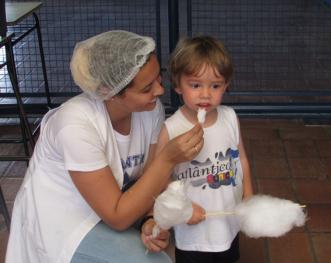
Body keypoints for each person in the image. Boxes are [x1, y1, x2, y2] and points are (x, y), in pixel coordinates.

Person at [5, 30, 204, 263]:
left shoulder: (150, 111)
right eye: (146, 88)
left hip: (110, 210)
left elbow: (149, 179)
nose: (160, 91)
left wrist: (149, 220)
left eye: (158, 79)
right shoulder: (75, 125)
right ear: (108, 92)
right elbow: (117, 217)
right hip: (62, 224)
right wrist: (168, 158)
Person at [155, 35, 253, 263]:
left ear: (226, 85)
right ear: (178, 85)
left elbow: (242, 162)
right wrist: (183, 208)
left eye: (215, 85)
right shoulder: (171, 128)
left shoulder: (229, 118)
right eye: (196, 85)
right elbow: (159, 178)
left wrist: (249, 196)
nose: (206, 94)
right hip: (192, 232)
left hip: (227, 222)